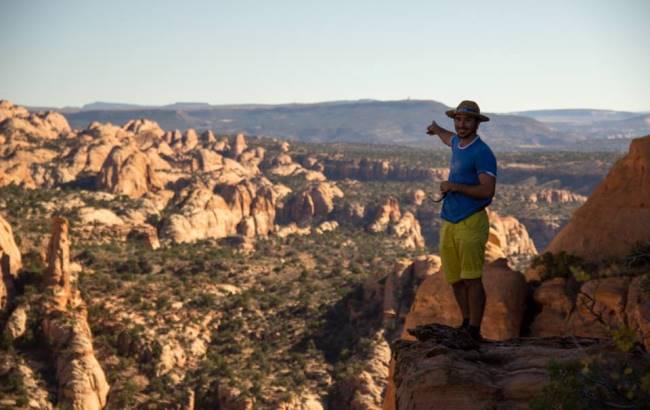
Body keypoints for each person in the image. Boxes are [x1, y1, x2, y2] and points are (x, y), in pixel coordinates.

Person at [425, 100, 497, 341]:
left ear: (477, 122)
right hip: (449, 220)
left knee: (472, 279)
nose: (461, 124)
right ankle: (465, 323)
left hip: (471, 220)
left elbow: (487, 191)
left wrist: (454, 186)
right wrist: (436, 129)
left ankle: (475, 331)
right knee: (455, 279)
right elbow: (448, 138)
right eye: (458, 119)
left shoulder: (483, 153)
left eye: (467, 120)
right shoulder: (457, 142)